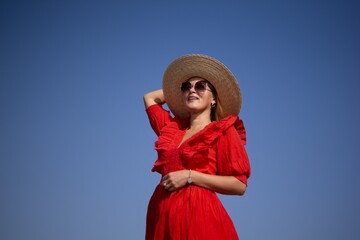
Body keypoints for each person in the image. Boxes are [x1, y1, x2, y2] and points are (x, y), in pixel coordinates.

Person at [143, 54, 251, 240]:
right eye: (187, 87)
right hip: (162, 212)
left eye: (200, 86)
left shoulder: (223, 131)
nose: (192, 90)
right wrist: (179, 92)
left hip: (199, 215)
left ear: (214, 99)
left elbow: (239, 184)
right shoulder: (172, 129)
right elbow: (150, 98)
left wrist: (190, 176)